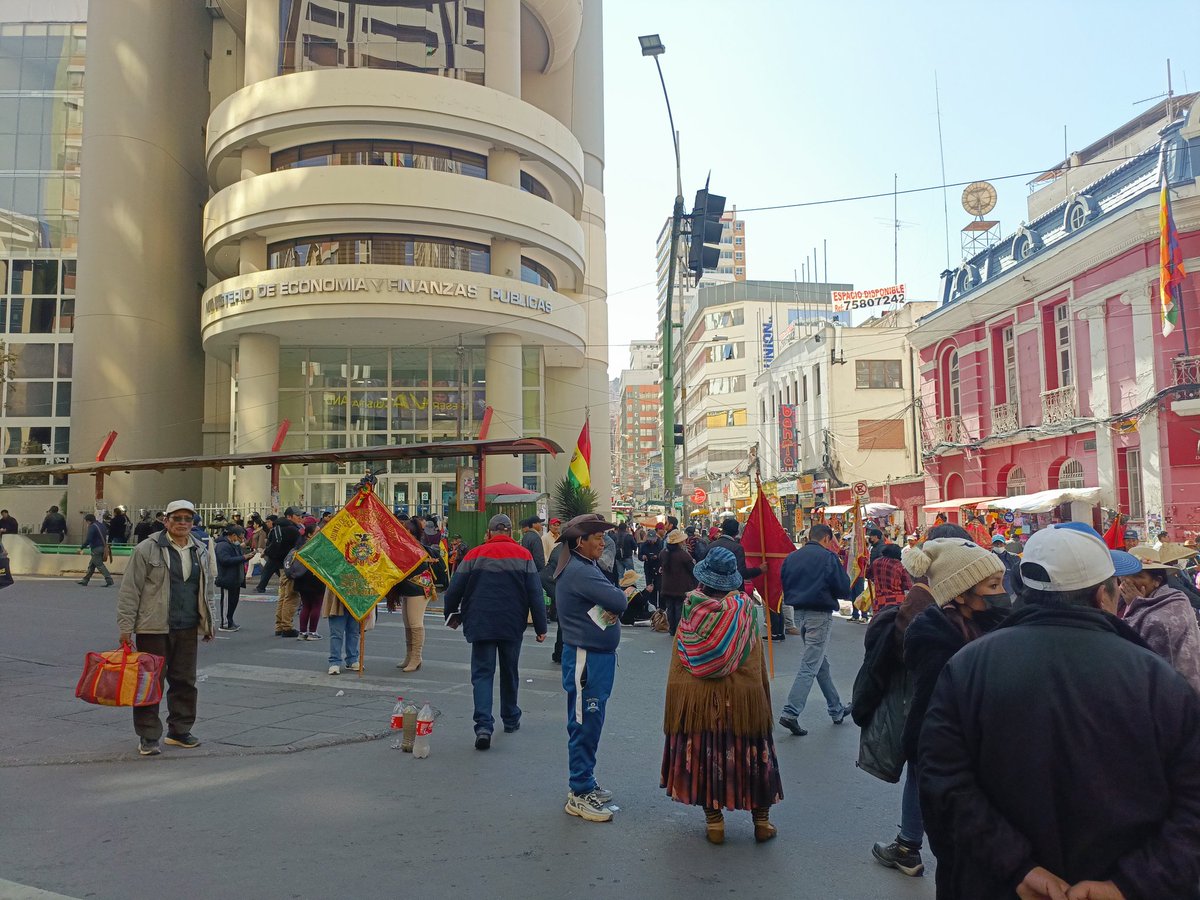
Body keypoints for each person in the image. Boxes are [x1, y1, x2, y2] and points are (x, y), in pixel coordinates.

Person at [919, 524, 1200, 900]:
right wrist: (1130, 884)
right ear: (1103, 595)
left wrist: (1017, 868)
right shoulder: (1157, 679)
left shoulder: (967, 668)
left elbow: (942, 783)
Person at [661, 546, 783, 844]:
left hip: (701, 704)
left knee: (706, 757)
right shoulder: (745, 612)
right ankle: (762, 822)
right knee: (753, 757)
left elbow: (679, 665)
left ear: (703, 581)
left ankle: (715, 824)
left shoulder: (690, 613)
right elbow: (755, 665)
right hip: (743, 703)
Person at [116, 499, 216, 756]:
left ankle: (179, 731)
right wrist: (126, 628)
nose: (183, 523)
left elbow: (206, 590)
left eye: (188, 519)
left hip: (187, 626)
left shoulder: (200, 550)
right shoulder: (146, 549)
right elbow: (130, 590)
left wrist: (209, 623)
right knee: (150, 682)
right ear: (166, 520)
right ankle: (148, 735)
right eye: (177, 518)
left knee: (185, 681)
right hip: (153, 627)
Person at [443, 513, 546, 750]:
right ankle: (510, 718)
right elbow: (535, 595)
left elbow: (452, 592)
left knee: (482, 674)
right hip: (511, 624)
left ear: (489, 533)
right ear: (511, 532)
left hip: (480, 623)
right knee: (510, 671)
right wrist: (540, 627)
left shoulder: (474, 555)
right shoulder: (524, 556)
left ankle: (483, 727)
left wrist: (451, 615)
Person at [554, 514, 631, 823]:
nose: (603, 541)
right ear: (579, 542)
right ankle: (579, 792)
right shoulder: (580, 571)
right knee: (585, 722)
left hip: (596, 656)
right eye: (597, 537)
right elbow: (618, 600)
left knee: (592, 719)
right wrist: (620, 596)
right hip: (587, 658)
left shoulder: (584, 567)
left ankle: (585, 781)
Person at [777, 523, 852, 735]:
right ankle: (791, 712)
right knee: (810, 665)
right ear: (827, 538)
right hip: (819, 613)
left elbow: (785, 583)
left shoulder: (792, 557)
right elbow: (843, 588)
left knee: (820, 664)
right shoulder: (827, 558)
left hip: (799, 613)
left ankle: (836, 709)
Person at [1123, 546, 1200, 694]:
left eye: (1138, 576)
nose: (1129, 581)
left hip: (1175, 692)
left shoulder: (1174, 603)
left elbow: (1134, 644)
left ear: (1157, 581)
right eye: (1126, 575)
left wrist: (1136, 606)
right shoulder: (1123, 600)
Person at [389, 517, 437, 672]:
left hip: (418, 588)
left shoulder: (417, 549)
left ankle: (416, 657)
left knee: (415, 623)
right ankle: (410, 655)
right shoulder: (404, 547)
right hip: (408, 589)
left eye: (406, 532)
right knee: (408, 624)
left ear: (412, 533)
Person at [213, 523, 252, 632]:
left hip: (235, 578)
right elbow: (224, 560)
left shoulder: (233, 545)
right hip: (227, 578)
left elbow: (238, 558)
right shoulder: (222, 545)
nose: (242, 539)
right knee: (227, 602)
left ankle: (230, 620)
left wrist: (246, 557)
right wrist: (243, 557)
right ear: (234, 535)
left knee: (233, 601)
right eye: (241, 537)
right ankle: (225, 623)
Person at [659, 528, 696, 635]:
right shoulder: (683, 555)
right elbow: (692, 569)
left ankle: (672, 629)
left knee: (670, 608)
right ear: (679, 542)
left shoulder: (663, 553)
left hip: (667, 585)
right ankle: (678, 629)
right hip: (681, 586)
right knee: (679, 608)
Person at [256, 507, 301, 594]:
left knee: (271, 572)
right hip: (285, 558)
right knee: (287, 592)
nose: (300, 518)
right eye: (297, 515)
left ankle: (261, 587)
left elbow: (273, 543)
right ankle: (261, 587)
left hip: (278, 556)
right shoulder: (292, 529)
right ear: (289, 517)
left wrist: (266, 552)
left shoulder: (279, 528)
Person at [323, 587, 365, 675]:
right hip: (337, 596)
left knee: (354, 632)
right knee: (336, 633)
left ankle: (352, 659)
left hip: (355, 596)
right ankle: (334, 661)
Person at [868, 542, 911, 615]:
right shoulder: (898, 565)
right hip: (896, 601)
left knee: (880, 623)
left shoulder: (876, 562)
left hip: (880, 600)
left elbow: (869, 575)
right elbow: (907, 585)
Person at [76, 513, 114, 587]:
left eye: (86, 522)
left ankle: (109, 579)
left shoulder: (92, 527)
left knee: (99, 565)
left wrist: (81, 548)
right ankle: (85, 580)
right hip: (103, 547)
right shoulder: (102, 525)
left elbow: (89, 539)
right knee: (92, 565)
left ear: (89, 521)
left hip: (96, 548)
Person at [990, 534, 1021, 605]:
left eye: (1000, 543)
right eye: (996, 544)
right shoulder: (987, 559)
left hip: (1012, 595)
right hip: (994, 596)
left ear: (1004, 544)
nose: (998, 546)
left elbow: (1019, 575)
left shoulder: (1014, 558)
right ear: (992, 545)